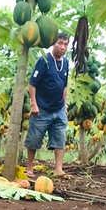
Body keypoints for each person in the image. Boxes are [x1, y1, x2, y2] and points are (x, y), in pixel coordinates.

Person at [24, 32, 71, 178]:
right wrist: (34, 104)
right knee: (34, 138)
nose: (62, 47)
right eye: (59, 43)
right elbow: (32, 84)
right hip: (42, 109)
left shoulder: (66, 63)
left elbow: (64, 86)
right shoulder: (43, 61)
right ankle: (30, 168)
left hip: (59, 109)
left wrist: (65, 105)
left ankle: (58, 169)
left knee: (60, 138)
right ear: (53, 43)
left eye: (65, 44)